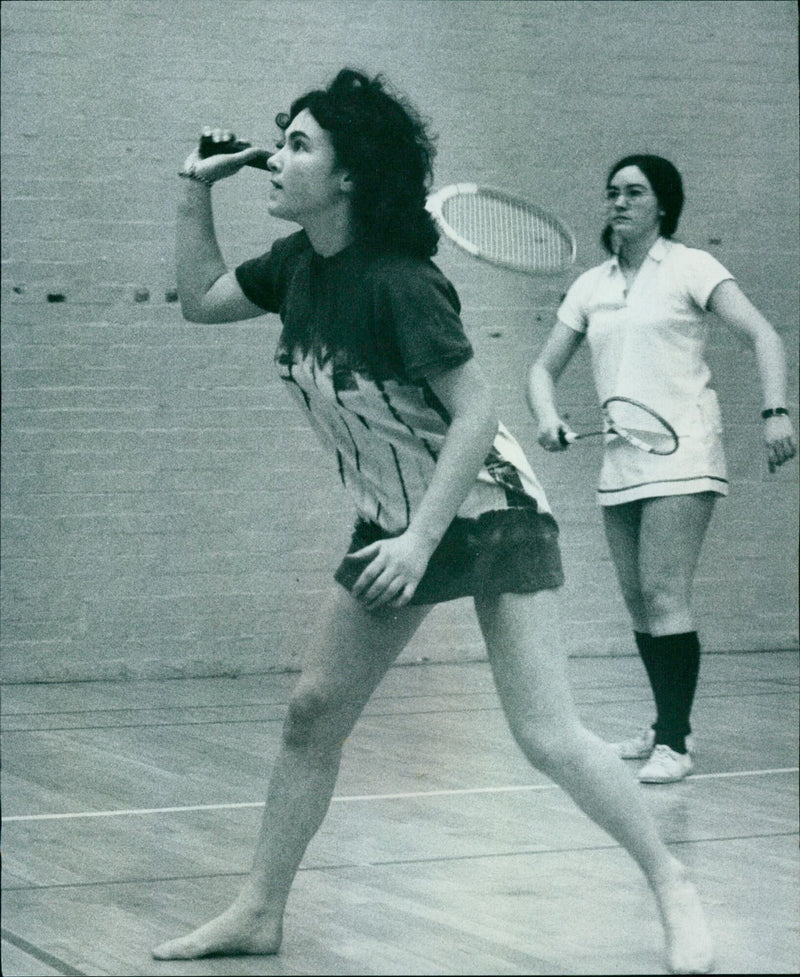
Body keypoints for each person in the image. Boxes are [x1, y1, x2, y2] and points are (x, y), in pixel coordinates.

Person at [152, 75, 714, 974]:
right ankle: (259, 910)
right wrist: (193, 185)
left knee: (546, 734)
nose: (279, 155)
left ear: (347, 178)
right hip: (392, 515)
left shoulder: (399, 283)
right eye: (282, 139)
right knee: (310, 715)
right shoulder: (297, 264)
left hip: (487, 512)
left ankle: (671, 883)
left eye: (300, 143)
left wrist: (421, 541)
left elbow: (478, 413)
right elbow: (202, 296)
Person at [528, 154, 796, 786]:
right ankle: (666, 721)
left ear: (662, 205)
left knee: (664, 593)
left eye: (634, 192)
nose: (618, 202)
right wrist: (547, 417)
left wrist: (775, 411)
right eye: (612, 192)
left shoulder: (692, 267)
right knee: (638, 602)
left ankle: (674, 741)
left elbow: (764, 336)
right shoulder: (592, 285)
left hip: (685, 454)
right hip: (620, 458)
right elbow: (542, 367)